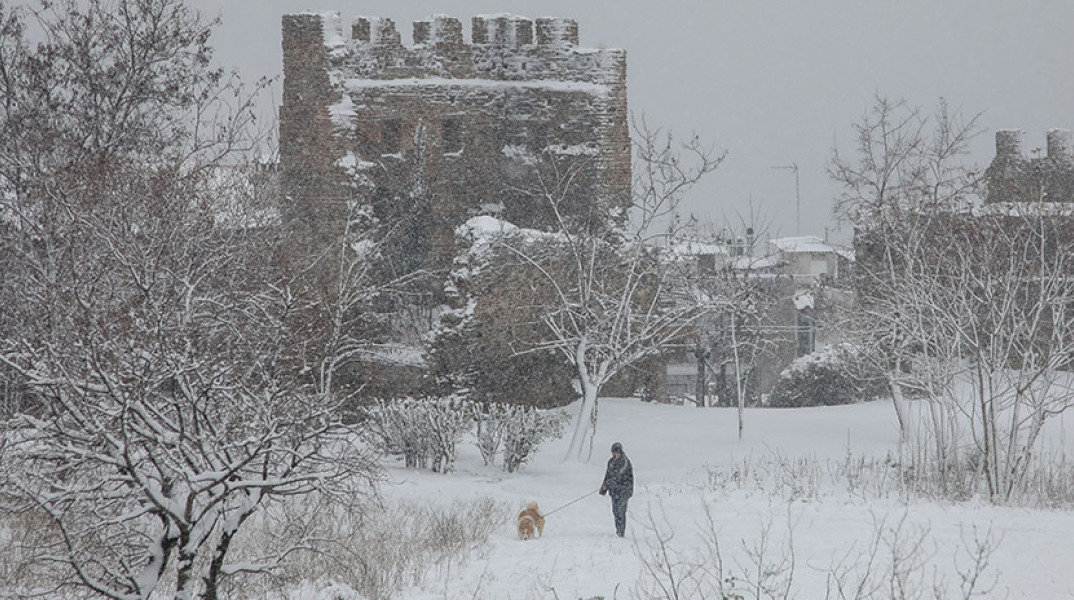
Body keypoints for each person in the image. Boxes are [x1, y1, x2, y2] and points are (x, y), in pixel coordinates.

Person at [599, 441, 634, 537]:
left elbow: (620, 475)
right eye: (613, 452)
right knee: (615, 511)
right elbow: (608, 475)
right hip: (614, 491)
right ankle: (617, 529)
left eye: (615, 452)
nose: (614, 454)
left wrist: (610, 483)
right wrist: (604, 487)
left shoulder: (625, 462)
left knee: (621, 511)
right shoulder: (610, 462)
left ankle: (621, 531)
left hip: (624, 490)